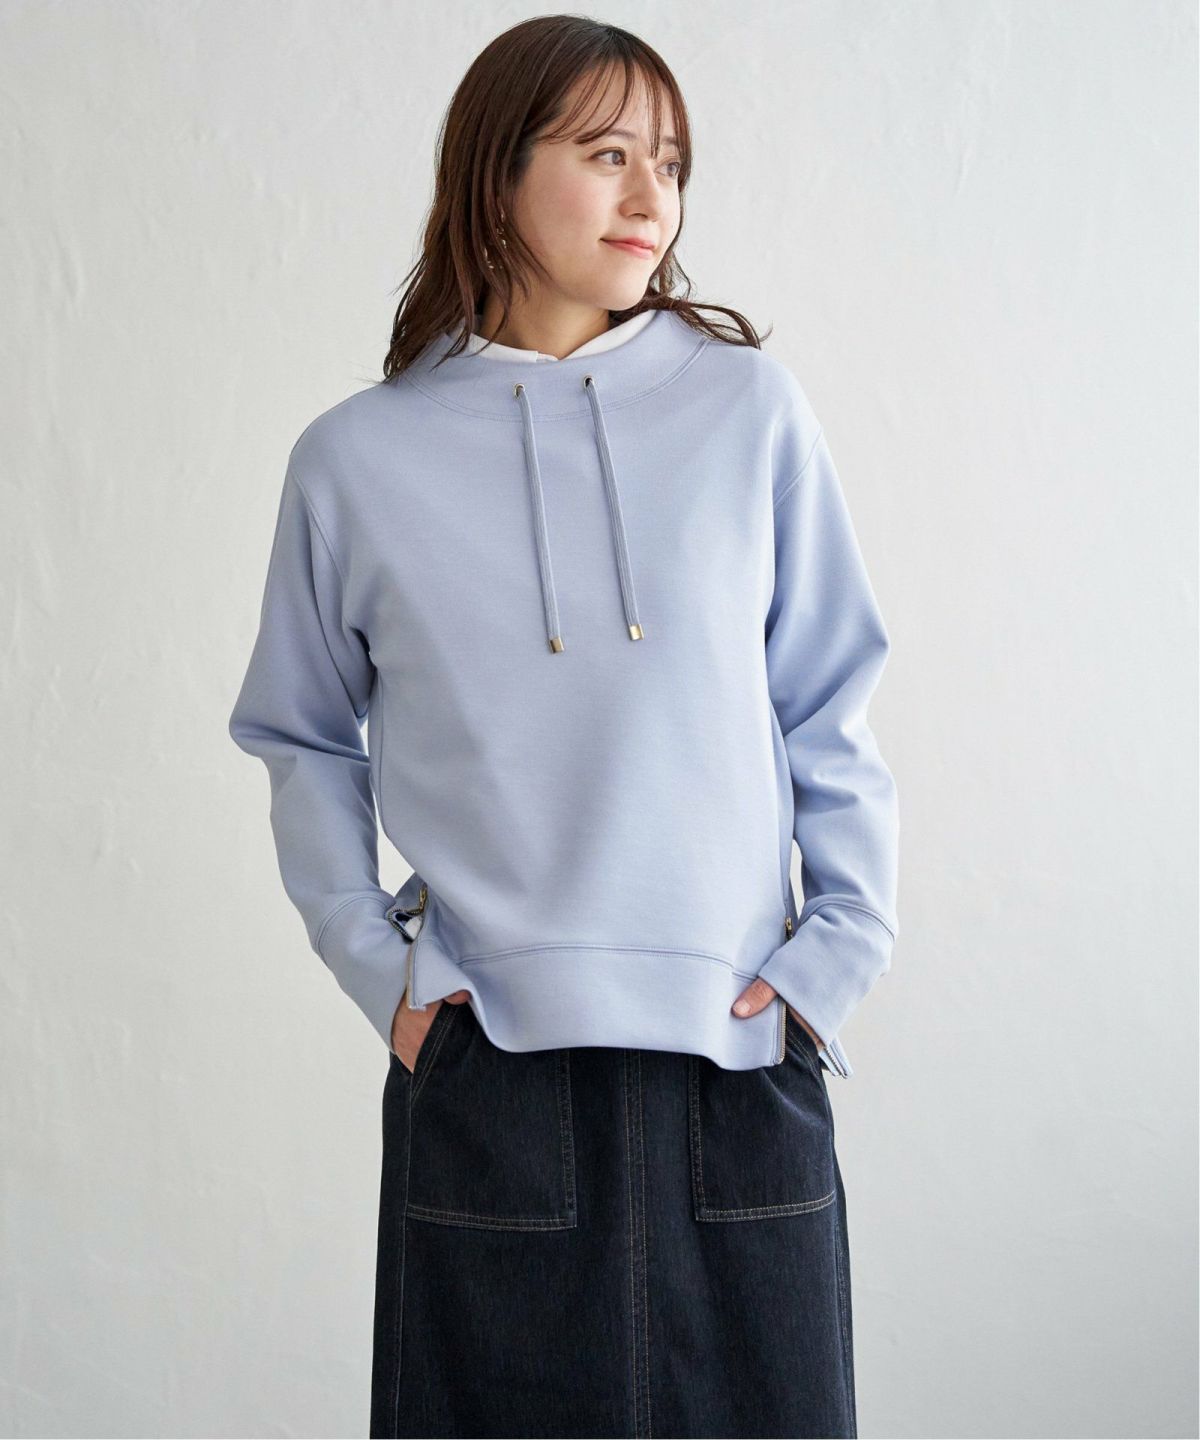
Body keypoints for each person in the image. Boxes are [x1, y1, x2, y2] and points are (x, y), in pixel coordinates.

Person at [228, 15, 899, 1439]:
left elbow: (829, 694)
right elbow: (300, 735)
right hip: (494, 1077)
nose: (652, 197)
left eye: (672, 162)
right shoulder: (356, 460)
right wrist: (379, 971)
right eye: (607, 155)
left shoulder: (749, 413)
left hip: (738, 1054)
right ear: (496, 173)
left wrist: (835, 955)